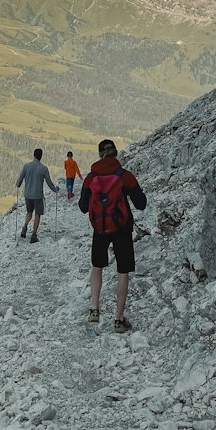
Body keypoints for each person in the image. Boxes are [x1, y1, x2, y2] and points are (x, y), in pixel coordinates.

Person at [78, 138, 147, 332]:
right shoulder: (125, 176)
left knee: (97, 266)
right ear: (116, 153)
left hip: (100, 228)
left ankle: (94, 309)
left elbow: (83, 207)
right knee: (123, 271)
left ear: (99, 154)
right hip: (122, 228)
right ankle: (118, 319)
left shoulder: (91, 177)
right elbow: (141, 203)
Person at [16, 147, 59, 243]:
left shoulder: (26, 166)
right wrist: (55, 190)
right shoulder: (43, 168)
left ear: (34, 155)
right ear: (41, 157)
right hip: (38, 196)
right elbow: (49, 183)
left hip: (27, 194)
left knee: (29, 212)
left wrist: (18, 185)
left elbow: (20, 179)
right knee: (37, 214)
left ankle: (25, 227)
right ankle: (34, 235)